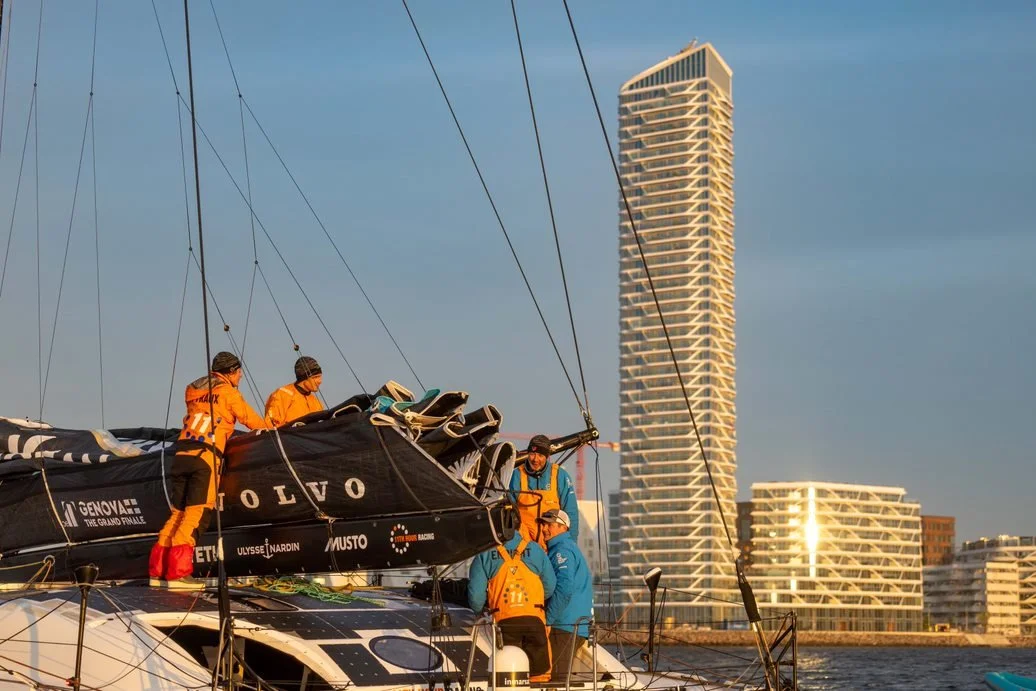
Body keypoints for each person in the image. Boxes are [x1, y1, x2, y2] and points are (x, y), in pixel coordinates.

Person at [148, 351, 268, 589]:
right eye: (238, 372)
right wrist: (273, 430)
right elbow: (254, 422)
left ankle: (158, 572)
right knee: (196, 515)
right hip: (205, 457)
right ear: (231, 372)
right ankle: (178, 574)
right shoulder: (229, 394)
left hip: (181, 454)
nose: (241, 376)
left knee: (177, 514)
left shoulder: (193, 392)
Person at [467, 530, 557, 682]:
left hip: (505, 623)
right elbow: (550, 585)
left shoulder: (484, 553)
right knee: (539, 674)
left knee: (509, 674)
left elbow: (476, 597)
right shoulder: (535, 549)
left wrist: (480, 610)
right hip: (535, 621)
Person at [539, 509, 593, 682]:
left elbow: (564, 588)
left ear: (563, 527)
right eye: (543, 524)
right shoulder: (568, 547)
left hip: (563, 625)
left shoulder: (561, 551)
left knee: (556, 682)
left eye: (549, 525)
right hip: (573, 624)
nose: (544, 529)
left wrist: (548, 619)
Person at [509, 434, 579, 549]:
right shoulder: (516, 475)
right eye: (532, 454)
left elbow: (571, 513)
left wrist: (571, 546)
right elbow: (508, 511)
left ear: (547, 457)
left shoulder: (559, 476)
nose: (535, 459)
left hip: (552, 547)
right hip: (524, 549)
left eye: (540, 455)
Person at [264, 355, 324, 427]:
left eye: (320, 377)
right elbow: (271, 427)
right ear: (303, 377)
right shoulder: (282, 395)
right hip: (287, 437)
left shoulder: (317, 403)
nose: (320, 381)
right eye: (315, 377)